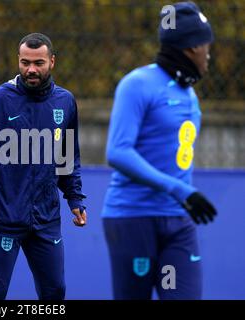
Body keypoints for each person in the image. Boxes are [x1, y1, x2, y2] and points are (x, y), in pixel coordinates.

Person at [0, 33, 87, 300]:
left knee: (55, 291)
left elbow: (67, 157)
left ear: (52, 61)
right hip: (3, 217)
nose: (31, 70)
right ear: (18, 60)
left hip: (46, 219)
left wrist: (74, 198)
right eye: (25, 62)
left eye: (38, 63)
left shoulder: (65, 102)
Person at [102, 2, 217, 300]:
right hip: (133, 218)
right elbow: (117, 151)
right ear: (191, 47)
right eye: (206, 45)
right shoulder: (137, 84)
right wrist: (179, 189)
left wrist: (180, 195)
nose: (209, 53)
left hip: (178, 221)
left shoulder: (188, 93)